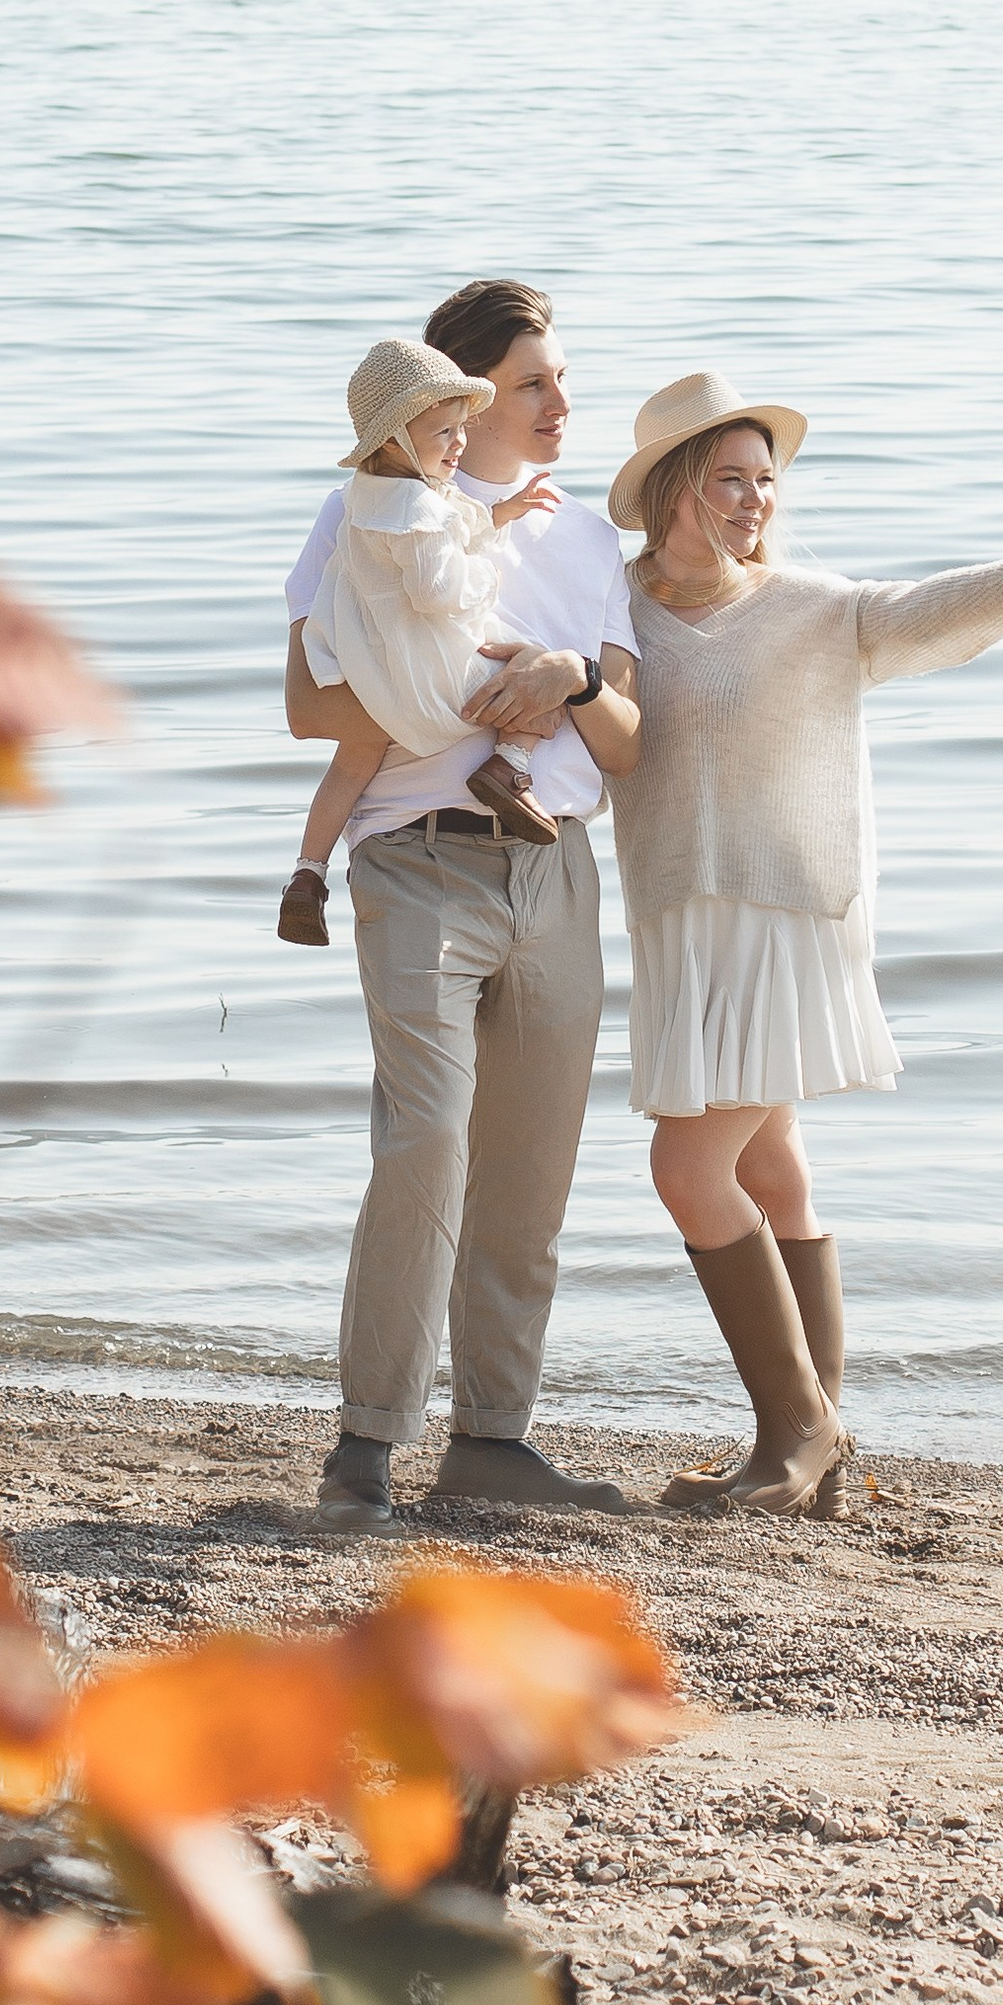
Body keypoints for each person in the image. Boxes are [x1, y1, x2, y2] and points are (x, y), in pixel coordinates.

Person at [607, 369, 1003, 1519]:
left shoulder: (808, 605)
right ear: (674, 488)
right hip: (679, 919)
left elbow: (919, 617)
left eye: (765, 480)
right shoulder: (615, 608)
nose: (754, 501)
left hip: (787, 916)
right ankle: (810, 1446)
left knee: (686, 1172)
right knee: (762, 1162)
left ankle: (801, 1432)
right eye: (730, 479)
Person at [281, 278, 643, 1532]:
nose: (559, 404)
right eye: (534, 382)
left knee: (530, 1173)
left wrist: (572, 677)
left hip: (556, 872)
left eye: (558, 379)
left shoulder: (590, 543)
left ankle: (493, 1438)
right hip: (415, 859)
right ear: (463, 396)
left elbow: (631, 742)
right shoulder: (368, 515)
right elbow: (305, 707)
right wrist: (465, 703)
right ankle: (366, 1444)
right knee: (426, 1139)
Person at [278, 338, 561, 938]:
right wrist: (487, 569)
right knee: (541, 686)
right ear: (394, 440)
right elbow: (440, 589)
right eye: (443, 433)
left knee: (354, 761)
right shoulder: (417, 508)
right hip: (428, 672)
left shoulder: (366, 496)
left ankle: (307, 872)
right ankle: (508, 765)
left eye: (462, 428)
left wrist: (498, 514)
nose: (460, 443)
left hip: (367, 664)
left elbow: (442, 532)